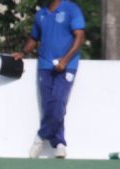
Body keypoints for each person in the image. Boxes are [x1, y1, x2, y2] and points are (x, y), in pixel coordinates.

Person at [13, 0, 86, 159]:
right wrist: (23, 53)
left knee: (59, 101)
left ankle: (40, 136)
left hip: (67, 65)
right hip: (45, 65)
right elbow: (34, 38)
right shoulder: (41, 14)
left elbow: (79, 37)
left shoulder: (72, 9)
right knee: (49, 104)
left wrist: (65, 60)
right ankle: (59, 143)